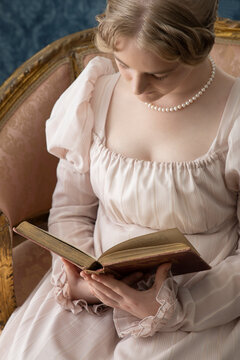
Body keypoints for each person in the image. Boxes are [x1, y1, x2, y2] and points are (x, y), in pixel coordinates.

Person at [0, 0, 240, 358]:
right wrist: (80, 282)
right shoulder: (95, 94)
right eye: (124, 64)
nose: (137, 87)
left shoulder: (234, 115)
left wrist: (172, 307)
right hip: (95, 291)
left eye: (159, 74)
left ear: (201, 45)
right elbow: (71, 211)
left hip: (204, 299)